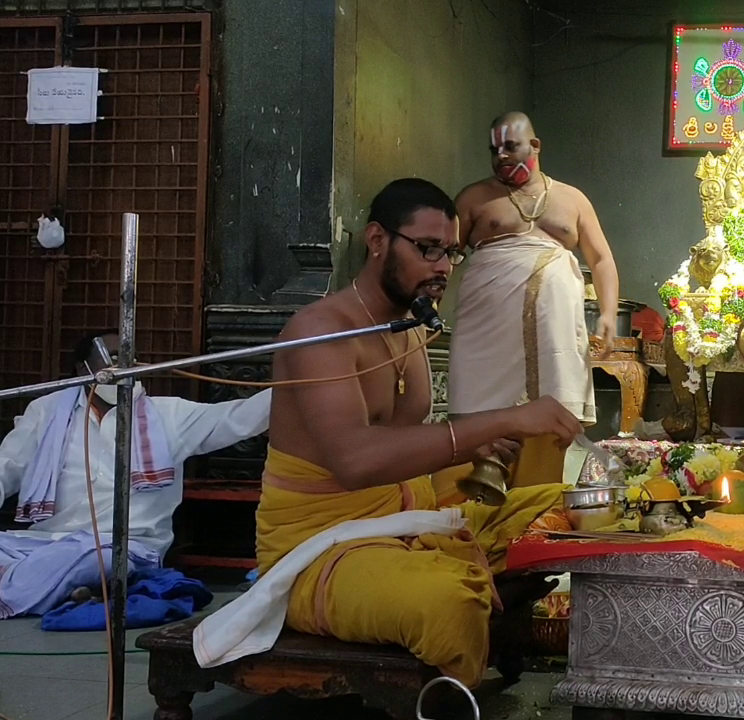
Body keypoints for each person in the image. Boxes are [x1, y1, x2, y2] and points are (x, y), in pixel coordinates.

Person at [258, 177, 582, 687]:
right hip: (324, 549)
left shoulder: (410, 326)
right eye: (428, 249)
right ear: (377, 241)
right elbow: (356, 460)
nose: (444, 267)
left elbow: (405, 442)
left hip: (406, 518)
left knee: (568, 504)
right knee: (450, 602)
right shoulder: (321, 332)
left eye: (451, 252)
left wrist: (476, 445)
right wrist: (498, 421)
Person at [0, 332, 271, 618]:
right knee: (48, 557)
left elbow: (240, 417)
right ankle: (56, 590)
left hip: (122, 548)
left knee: (95, 560)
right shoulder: (46, 412)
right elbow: (6, 466)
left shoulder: (169, 415)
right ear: (84, 369)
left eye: (130, 359)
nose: (124, 367)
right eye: (114, 359)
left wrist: (301, 374)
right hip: (39, 543)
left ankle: (20, 587)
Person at [449, 111, 619, 486]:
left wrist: (608, 312)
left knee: (551, 415)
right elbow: (443, 258)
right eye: (494, 150)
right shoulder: (475, 198)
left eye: (510, 147)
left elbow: (601, 258)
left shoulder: (571, 199)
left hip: (553, 330)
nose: (501, 157)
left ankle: (535, 510)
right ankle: (464, 513)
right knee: (479, 413)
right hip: (487, 330)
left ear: (535, 146)